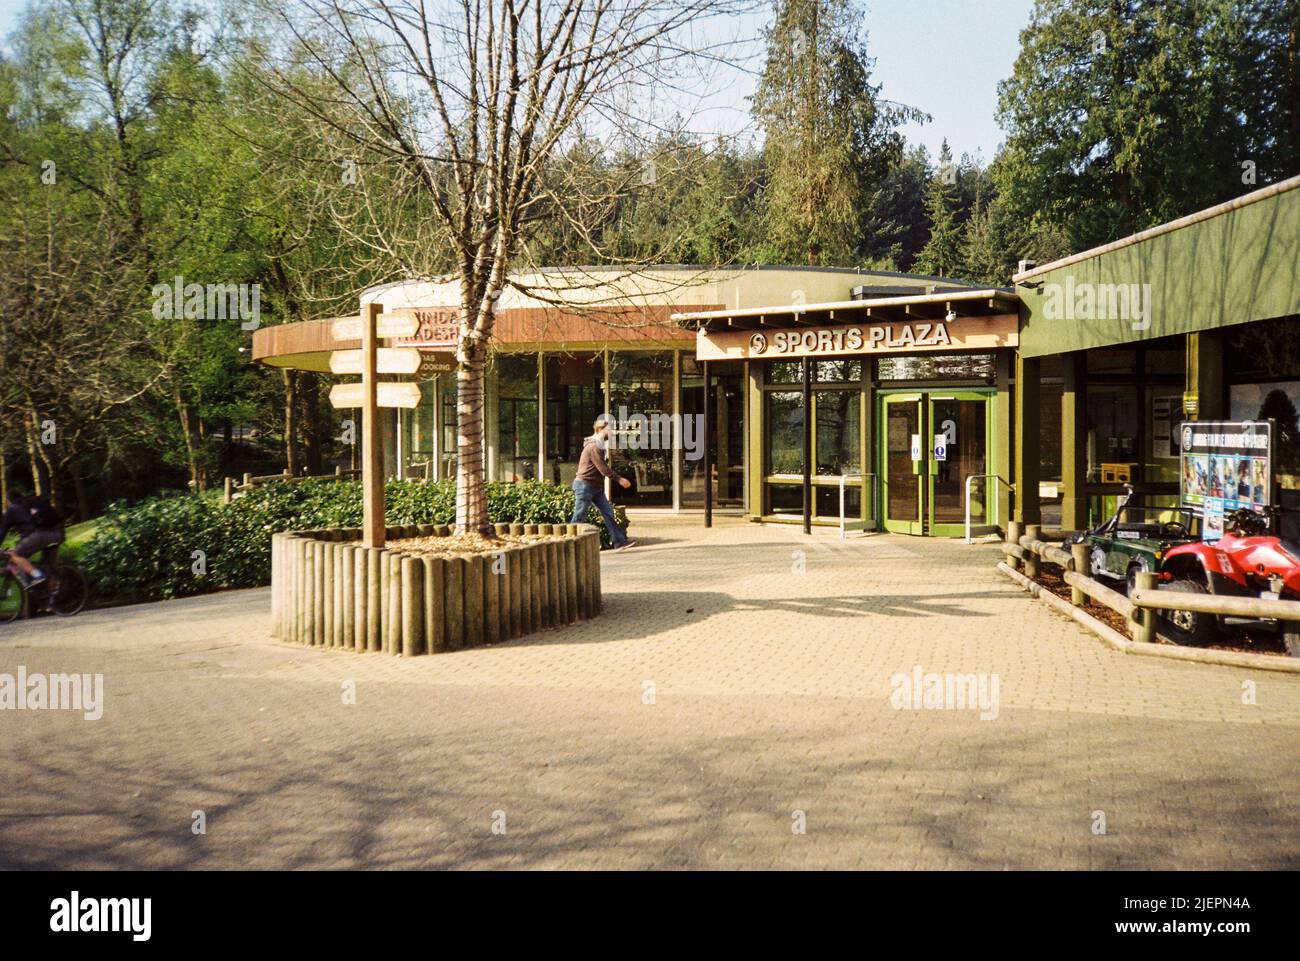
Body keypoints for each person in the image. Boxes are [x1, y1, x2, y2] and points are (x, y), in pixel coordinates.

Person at [570, 416, 636, 550]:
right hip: (585, 485)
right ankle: (567, 543)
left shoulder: (599, 444)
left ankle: (619, 542)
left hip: (595, 487)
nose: (612, 432)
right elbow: (603, 468)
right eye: (610, 429)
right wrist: (620, 479)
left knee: (608, 512)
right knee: (579, 515)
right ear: (600, 429)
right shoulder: (594, 446)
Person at [0, 490, 62, 585]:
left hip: (39, 536)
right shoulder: (28, 504)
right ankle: (50, 591)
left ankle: (38, 575)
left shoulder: (11, 509)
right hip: (57, 533)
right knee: (47, 567)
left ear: (7, 500)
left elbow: (3, 532)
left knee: (15, 555)